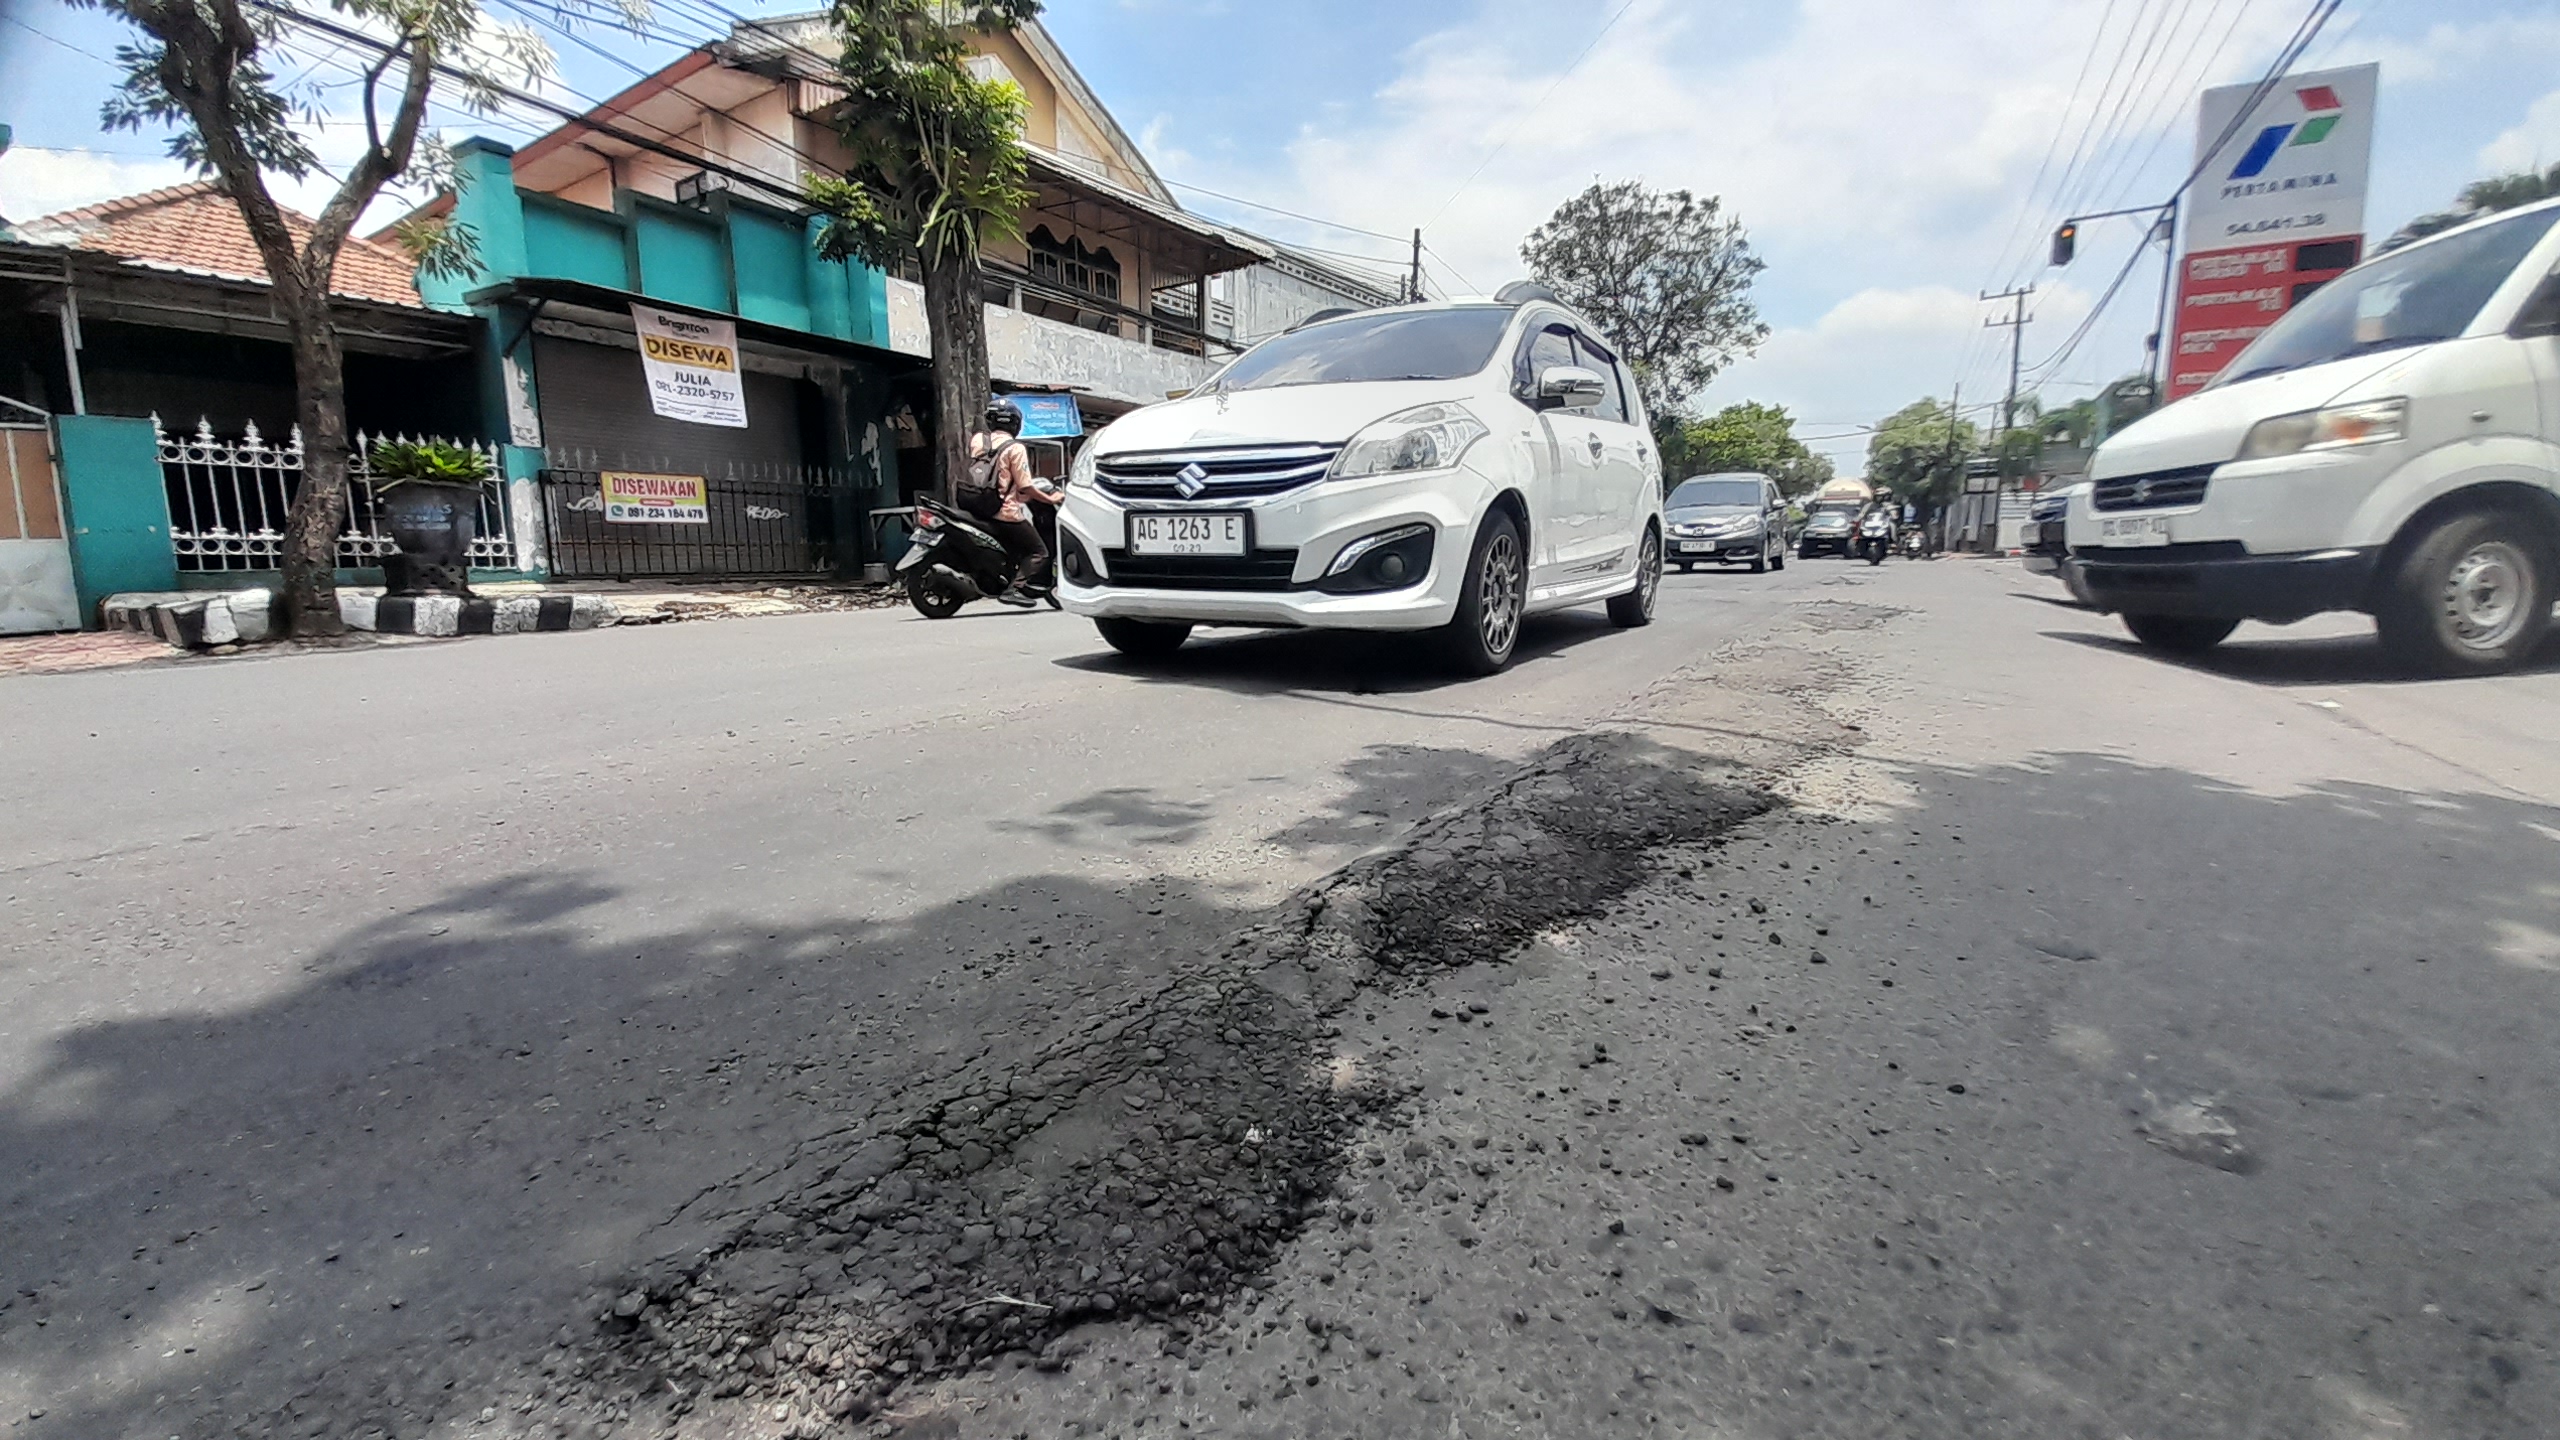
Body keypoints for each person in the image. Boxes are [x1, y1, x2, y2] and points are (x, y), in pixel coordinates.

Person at [960, 401, 1056, 607]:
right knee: (1039, 551)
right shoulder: (1015, 448)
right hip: (1004, 512)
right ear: (1016, 424)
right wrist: (1050, 499)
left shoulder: (978, 440)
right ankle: (1015, 588)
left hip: (977, 504)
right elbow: (1025, 486)